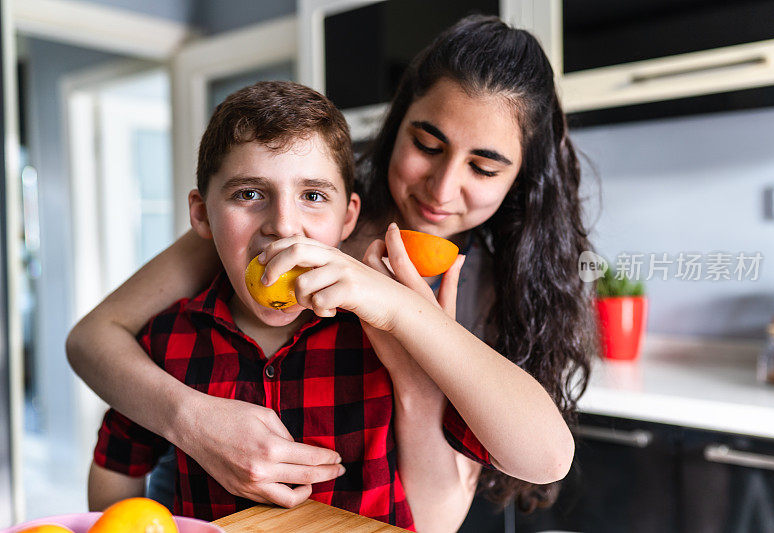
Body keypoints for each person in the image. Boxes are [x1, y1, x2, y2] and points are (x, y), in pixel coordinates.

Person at [68, 15, 594, 532]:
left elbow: (459, 504)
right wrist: (193, 420)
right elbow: (92, 341)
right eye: (427, 145)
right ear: (398, 124)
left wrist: (404, 319)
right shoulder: (285, 210)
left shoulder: (490, 284)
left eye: (483, 167)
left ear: (521, 178)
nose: (441, 188)